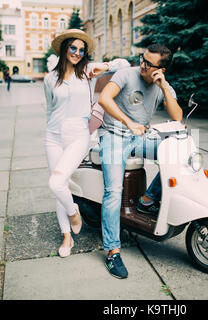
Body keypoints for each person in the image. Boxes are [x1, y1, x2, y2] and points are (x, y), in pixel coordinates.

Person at [98, 44, 183, 279]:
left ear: (161, 69)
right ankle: (113, 250)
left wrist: (164, 86)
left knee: (177, 151)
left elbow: (177, 117)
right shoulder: (126, 73)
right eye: (142, 59)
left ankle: (147, 200)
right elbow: (105, 99)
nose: (142, 65)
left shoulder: (161, 85)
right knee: (113, 191)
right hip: (114, 136)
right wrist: (128, 123)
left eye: (148, 63)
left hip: (139, 137)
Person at [43, 29, 129, 258]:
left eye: (82, 50)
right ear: (64, 49)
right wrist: (50, 132)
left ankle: (74, 214)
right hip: (53, 137)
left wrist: (106, 66)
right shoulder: (50, 78)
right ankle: (67, 236)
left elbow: (125, 64)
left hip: (78, 136)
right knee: (59, 189)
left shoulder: (87, 72)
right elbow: (50, 109)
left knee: (56, 182)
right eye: (73, 48)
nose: (77, 53)